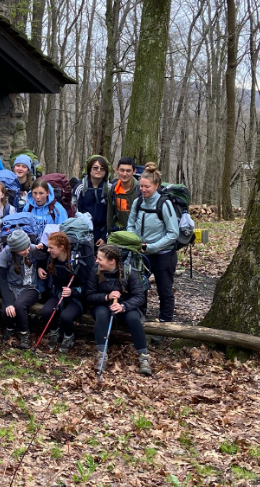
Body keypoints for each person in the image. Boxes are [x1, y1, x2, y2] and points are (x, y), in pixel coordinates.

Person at [87, 244, 151, 375]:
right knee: (101, 313)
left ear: (112, 261)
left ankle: (144, 357)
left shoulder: (129, 272)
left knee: (133, 318)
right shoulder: (96, 271)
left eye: (100, 259)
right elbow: (89, 295)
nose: (96, 261)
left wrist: (123, 306)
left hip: (125, 306)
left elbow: (139, 297)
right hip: (102, 305)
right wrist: (106, 297)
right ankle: (101, 354)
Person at [127, 162, 179, 323]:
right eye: (141, 186)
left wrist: (152, 247)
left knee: (164, 290)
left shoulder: (164, 204)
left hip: (163, 255)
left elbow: (173, 233)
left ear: (156, 186)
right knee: (139, 288)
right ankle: (139, 319)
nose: (143, 190)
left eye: (147, 187)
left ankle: (165, 323)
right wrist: (134, 241)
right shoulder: (138, 202)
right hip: (141, 254)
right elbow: (130, 224)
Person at [37, 232, 90, 353]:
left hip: (75, 297)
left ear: (61, 248)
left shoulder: (76, 262)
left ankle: (68, 337)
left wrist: (73, 291)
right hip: (58, 293)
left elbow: (86, 285)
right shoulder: (52, 258)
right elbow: (41, 261)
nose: (48, 250)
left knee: (66, 316)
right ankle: (54, 332)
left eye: (51, 248)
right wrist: (39, 268)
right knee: (46, 312)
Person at [0, 229, 46, 349]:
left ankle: (25, 334)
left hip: (31, 287)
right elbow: (2, 280)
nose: (27, 250)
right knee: (6, 310)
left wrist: (40, 267)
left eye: (28, 246)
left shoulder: (32, 248)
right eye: (23, 249)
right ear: (14, 249)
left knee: (19, 305)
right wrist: (8, 303)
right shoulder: (6, 253)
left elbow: (47, 257)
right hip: (12, 287)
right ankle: (10, 329)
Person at [75, 155, 110, 246]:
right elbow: (74, 211)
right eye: (95, 168)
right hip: (83, 232)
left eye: (102, 168)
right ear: (89, 169)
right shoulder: (80, 188)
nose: (99, 170)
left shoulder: (109, 189)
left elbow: (112, 216)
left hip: (102, 233)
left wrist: (104, 237)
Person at [107, 156, 139, 234]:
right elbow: (110, 214)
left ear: (134, 171)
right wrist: (109, 233)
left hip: (137, 233)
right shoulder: (113, 189)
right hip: (120, 232)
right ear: (117, 170)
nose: (124, 174)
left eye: (128, 171)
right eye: (122, 170)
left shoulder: (140, 190)